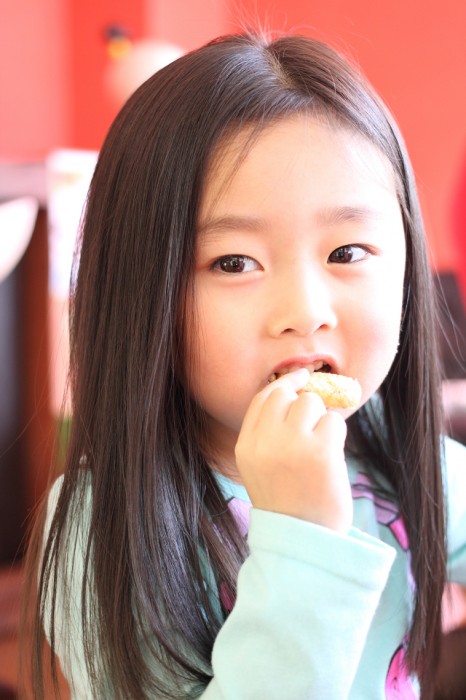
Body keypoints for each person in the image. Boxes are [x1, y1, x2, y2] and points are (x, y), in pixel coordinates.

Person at [23, 32, 466, 699]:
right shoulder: (103, 526)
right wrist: (304, 536)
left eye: (347, 253)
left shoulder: (391, 450)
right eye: (234, 263)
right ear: (141, 290)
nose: (305, 311)